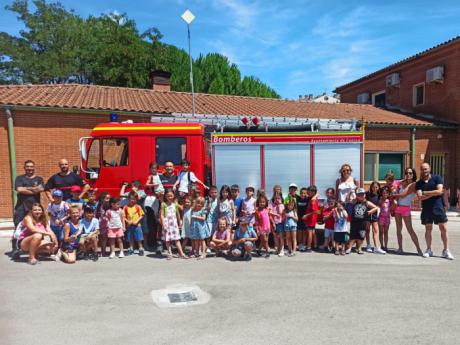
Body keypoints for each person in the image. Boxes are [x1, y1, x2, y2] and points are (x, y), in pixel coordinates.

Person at [415, 163, 454, 260]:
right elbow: (420, 197)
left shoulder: (437, 178)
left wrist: (425, 193)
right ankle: (429, 250)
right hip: (427, 209)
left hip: (438, 207)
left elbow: (440, 191)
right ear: (420, 170)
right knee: (428, 229)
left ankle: (446, 250)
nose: (425, 171)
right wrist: (434, 193)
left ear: (430, 169)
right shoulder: (419, 183)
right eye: (423, 169)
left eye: (426, 169)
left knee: (443, 229)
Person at [392, 167, 423, 256]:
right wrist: (395, 190)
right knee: (398, 230)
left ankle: (419, 249)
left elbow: (403, 195)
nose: (408, 175)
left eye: (410, 173)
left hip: (406, 208)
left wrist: (392, 195)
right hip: (398, 208)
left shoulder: (414, 184)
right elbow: (394, 187)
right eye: (406, 173)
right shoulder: (401, 182)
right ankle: (400, 248)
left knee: (410, 230)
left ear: (413, 174)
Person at [13, 160, 44, 227]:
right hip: (21, 207)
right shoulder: (19, 178)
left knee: (36, 226)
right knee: (18, 226)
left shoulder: (39, 179)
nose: (29, 168)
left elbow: (41, 189)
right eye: (27, 166)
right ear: (24, 167)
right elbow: (19, 189)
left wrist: (25, 188)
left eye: (31, 166)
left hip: (35, 208)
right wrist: (34, 189)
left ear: (34, 167)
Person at [348, 188, 378, 255]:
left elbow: (376, 207)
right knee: (352, 235)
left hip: (363, 222)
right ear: (356, 195)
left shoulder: (367, 202)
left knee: (361, 236)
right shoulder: (355, 201)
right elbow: (348, 200)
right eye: (359, 195)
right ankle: (349, 248)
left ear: (364, 195)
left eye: (362, 194)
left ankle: (359, 248)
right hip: (354, 221)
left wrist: (370, 212)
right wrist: (349, 193)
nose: (361, 196)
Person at [161, 190, 186, 260]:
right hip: (167, 224)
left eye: (171, 196)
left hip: (174, 224)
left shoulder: (175, 204)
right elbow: (162, 215)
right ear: (165, 196)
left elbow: (178, 214)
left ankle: (181, 253)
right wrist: (163, 224)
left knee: (177, 239)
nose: (169, 197)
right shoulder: (163, 204)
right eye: (168, 196)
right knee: (167, 240)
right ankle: (169, 253)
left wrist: (179, 222)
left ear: (173, 196)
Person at [123, 191, 145, 256]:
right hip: (129, 226)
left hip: (137, 225)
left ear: (136, 199)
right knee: (130, 238)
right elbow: (123, 216)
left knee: (139, 238)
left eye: (134, 199)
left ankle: (141, 249)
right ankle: (131, 249)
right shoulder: (125, 207)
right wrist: (127, 221)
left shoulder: (138, 206)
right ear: (128, 199)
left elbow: (142, 215)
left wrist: (137, 221)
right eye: (131, 199)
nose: (132, 200)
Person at [365, 182, 381, 253]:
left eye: (376, 187)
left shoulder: (379, 195)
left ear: (378, 188)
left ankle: (376, 247)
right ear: (371, 187)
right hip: (367, 215)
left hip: (375, 215)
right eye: (373, 187)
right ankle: (368, 245)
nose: (375, 188)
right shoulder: (368, 194)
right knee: (367, 230)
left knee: (375, 231)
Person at [304, 185, 319, 252]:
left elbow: (314, 211)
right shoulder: (313, 198)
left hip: (311, 219)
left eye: (308, 192)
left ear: (313, 192)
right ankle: (315, 245)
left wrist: (306, 215)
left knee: (309, 232)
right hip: (313, 218)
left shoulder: (313, 200)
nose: (307, 193)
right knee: (313, 232)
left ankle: (309, 247)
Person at [378, 187, 392, 253]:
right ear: (381, 194)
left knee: (386, 232)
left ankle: (386, 246)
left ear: (388, 194)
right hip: (381, 217)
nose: (385, 194)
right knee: (381, 232)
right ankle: (381, 245)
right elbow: (378, 206)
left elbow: (392, 208)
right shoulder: (380, 200)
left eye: (386, 193)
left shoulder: (390, 201)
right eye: (383, 193)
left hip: (387, 218)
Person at [96, 192, 111, 257]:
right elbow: (96, 214)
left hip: (110, 223)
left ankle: (111, 251)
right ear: (102, 199)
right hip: (101, 223)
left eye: (109, 198)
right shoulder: (98, 205)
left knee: (111, 238)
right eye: (107, 198)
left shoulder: (111, 205)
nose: (108, 199)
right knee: (103, 238)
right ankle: (103, 251)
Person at [296, 187, 309, 251]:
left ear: (306, 194)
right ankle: (300, 244)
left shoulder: (308, 199)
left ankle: (304, 244)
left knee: (304, 232)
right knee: (299, 232)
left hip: (305, 219)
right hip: (299, 218)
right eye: (301, 193)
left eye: (304, 193)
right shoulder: (297, 198)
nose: (303, 194)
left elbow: (317, 194)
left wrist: (308, 195)